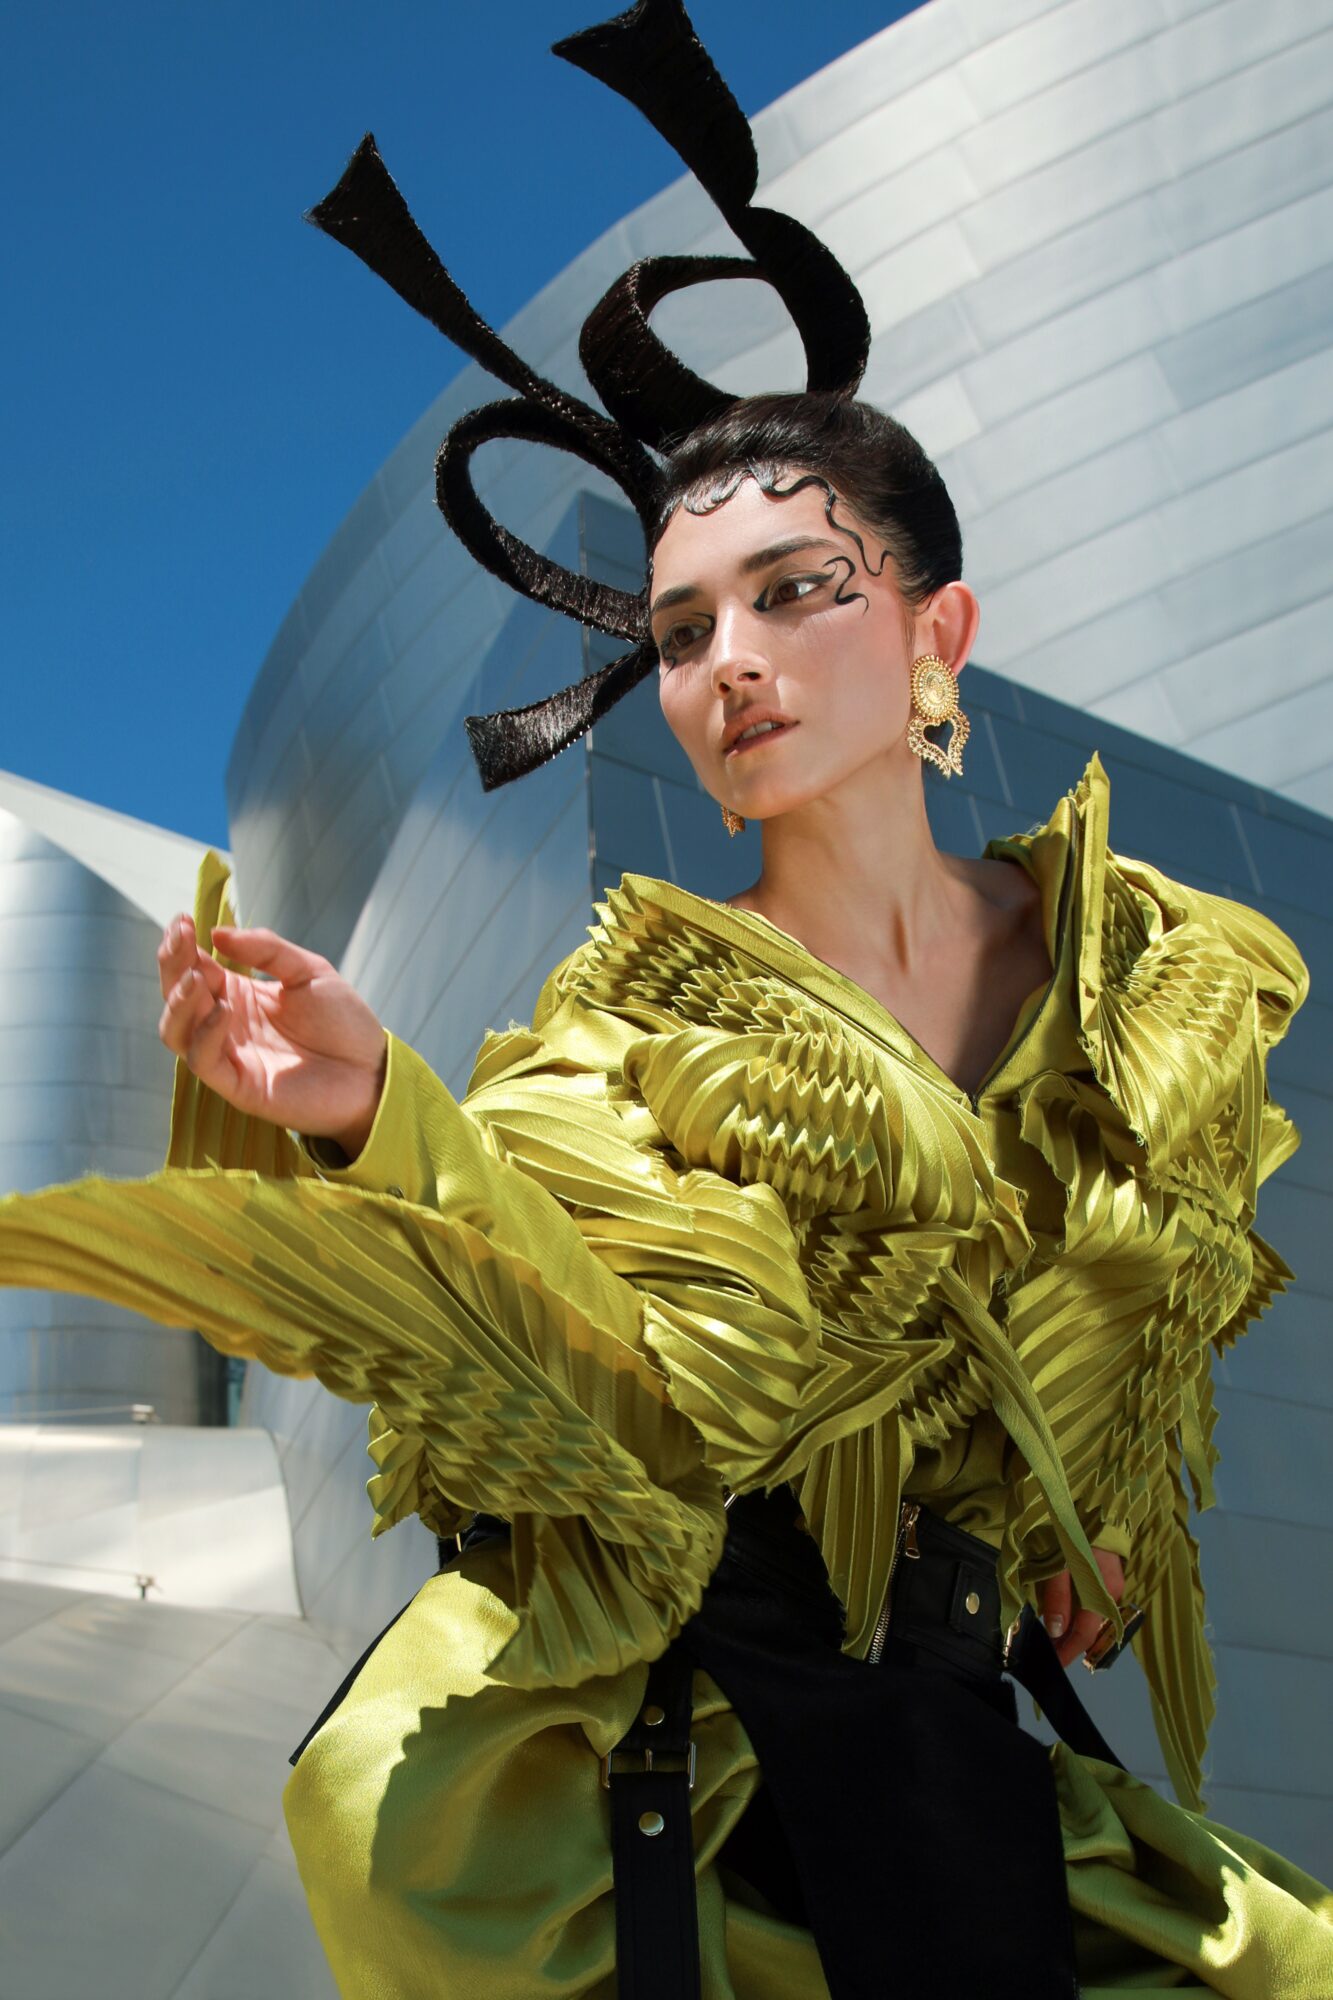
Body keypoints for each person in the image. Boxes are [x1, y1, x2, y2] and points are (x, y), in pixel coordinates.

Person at [1, 6, 1331, 1996]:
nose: (726, 659)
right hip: (667, 1753)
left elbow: (1139, 1307)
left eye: (797, 590)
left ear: (935, 630)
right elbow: (575, 1341)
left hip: (948, 1742)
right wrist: (373, 1108)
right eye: (679, 624)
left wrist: (1086, 1505)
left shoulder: (1164, 987)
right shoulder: (622, 1021)